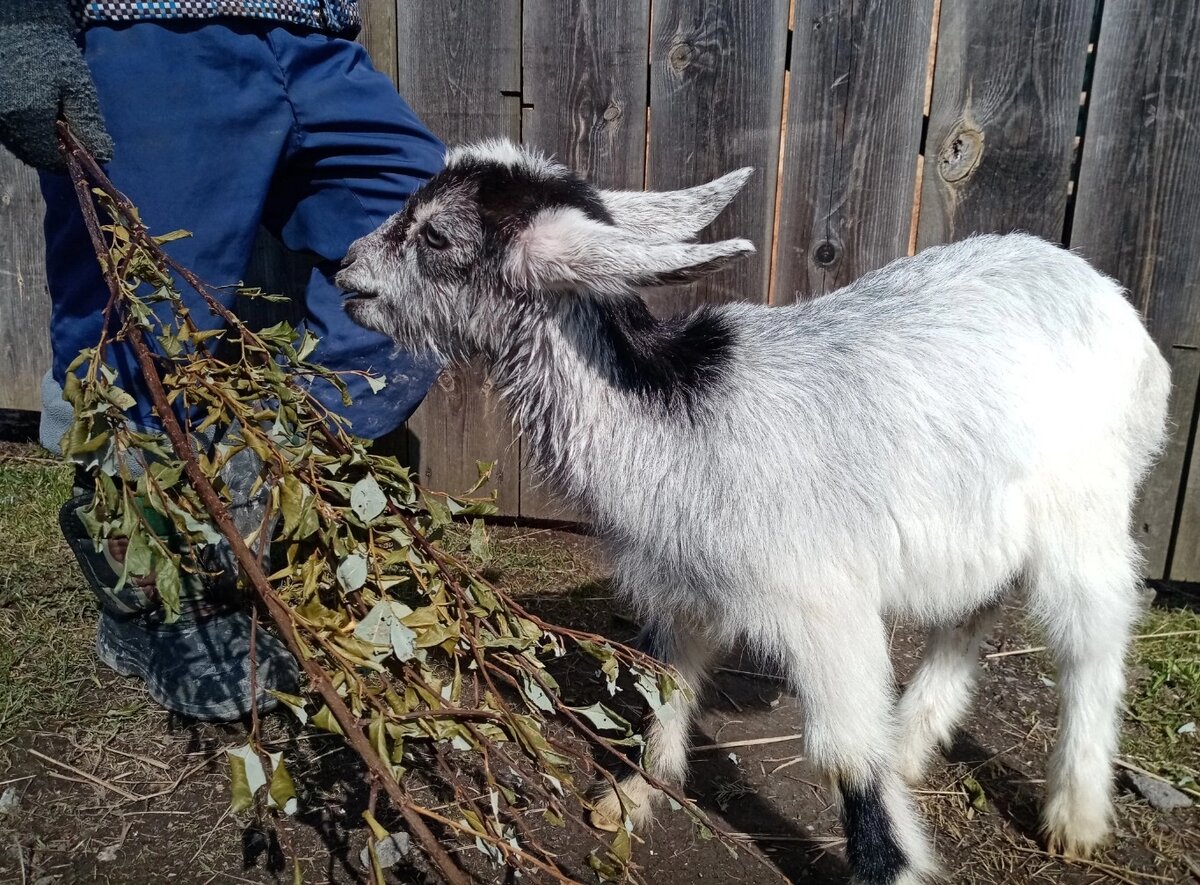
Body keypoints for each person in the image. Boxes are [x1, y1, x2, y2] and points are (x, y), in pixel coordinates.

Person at [0, 0, 445, 721]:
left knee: (442, 252)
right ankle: (154, 604)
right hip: (146, 32)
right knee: (142, 327)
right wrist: (20, 22)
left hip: (311, 33)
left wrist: (279, 439)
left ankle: (259, 483)